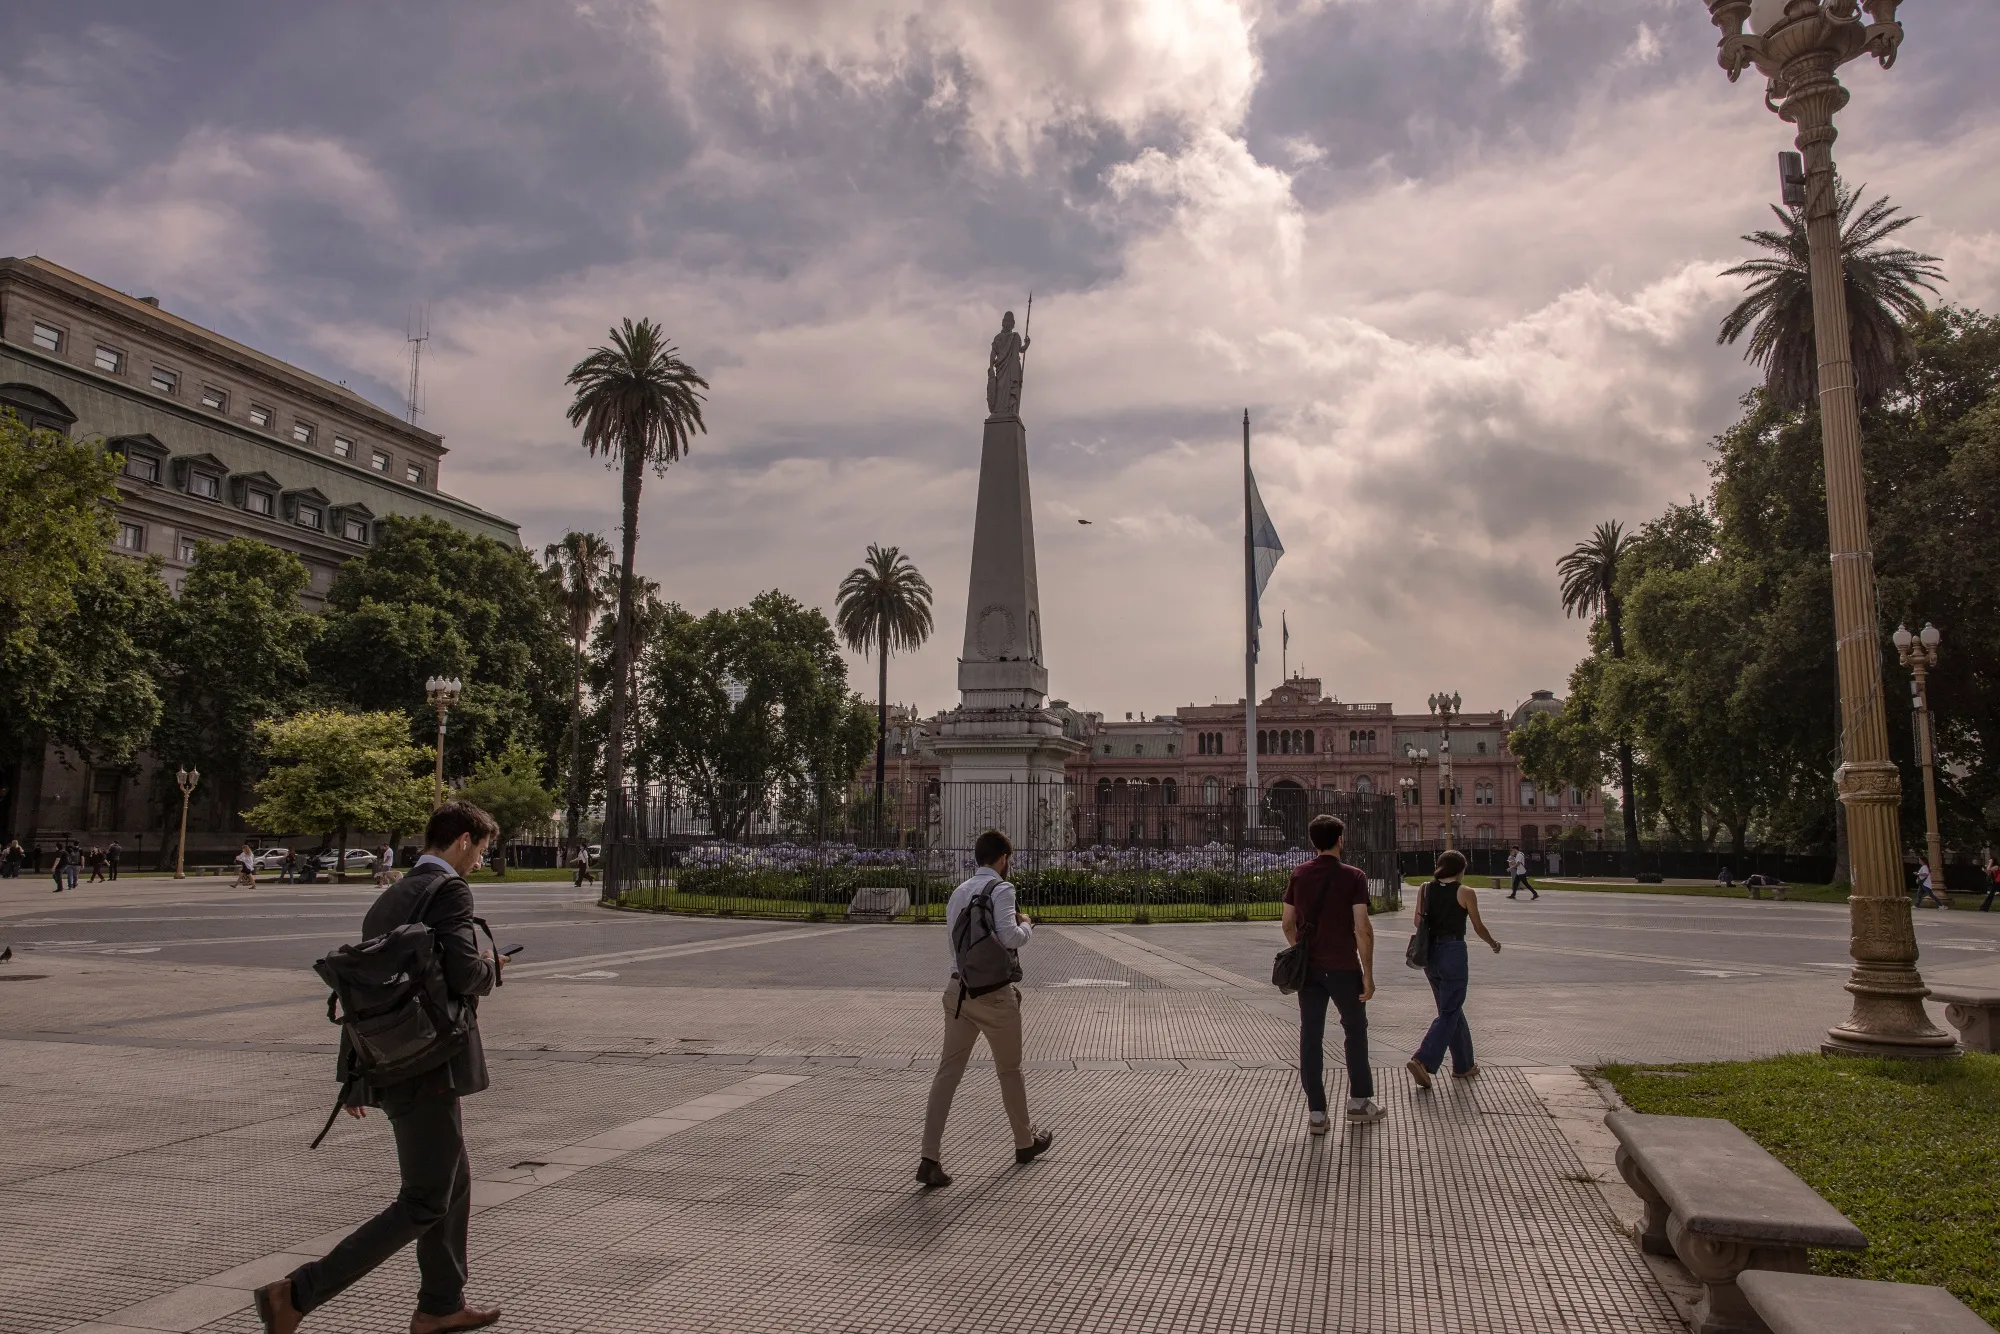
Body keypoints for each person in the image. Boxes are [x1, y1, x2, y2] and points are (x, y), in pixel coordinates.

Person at [254, 802, 507, 1334]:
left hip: (391, 1057)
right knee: (425, 1199)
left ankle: (440, 1304)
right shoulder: (450, 891)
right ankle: (296, 1293)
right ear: (463, 840)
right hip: (429, 1061)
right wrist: (492, 969)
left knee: (453, 1182)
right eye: (481, 849)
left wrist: (353, 1075)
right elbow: (464, 973)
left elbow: (368, 986)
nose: (481, 861)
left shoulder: (391, 894)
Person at [917, 828, 1053, 1188]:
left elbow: (953, 943)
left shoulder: (958, 893)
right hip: (994, 996)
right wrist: (1027, 925)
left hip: (958, 991)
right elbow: (1009, 937)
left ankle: (929, 1157)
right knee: (1009, 1070)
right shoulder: (1002, 889)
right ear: (1003, 859)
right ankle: (1024, 1142)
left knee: (947, 1073)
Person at [1283, 813, 1384, 1133]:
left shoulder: (1299, 875)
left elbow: (1288, 923)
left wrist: (1300, 950)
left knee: (1310, 1035)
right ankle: (1358, 1102)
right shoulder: (1353, 876)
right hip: (1343, 967)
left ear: (1313, 841)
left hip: (1310, 970)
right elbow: (1362, 928)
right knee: (1355, 1030)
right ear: (1340, 839)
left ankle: (1316, 1113)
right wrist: (1367, 972)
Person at [1406, 850, 1502, 1088]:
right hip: (1453, 952)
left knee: (1451, 1008)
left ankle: (1463, 1065)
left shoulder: (1425, 888)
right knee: (1450, 1011)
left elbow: (1418, 922)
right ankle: (1423, 1059)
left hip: (1430, 955)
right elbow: (1478, 926)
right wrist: (1493, 943)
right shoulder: (1465, 892)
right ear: (1461, 870)